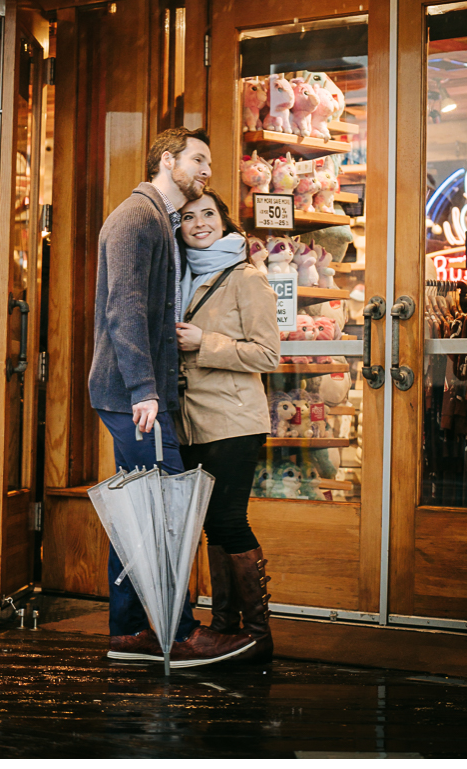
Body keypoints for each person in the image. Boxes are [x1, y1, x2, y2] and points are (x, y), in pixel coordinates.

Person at [88, 127, 255, 667]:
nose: (207, 170)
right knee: (161, 513)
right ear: (166, 160)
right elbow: (124, 310)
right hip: (135, 394)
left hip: (141, 393)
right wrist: (144, 389)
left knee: (139, 512)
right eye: (197, 159)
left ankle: (132, 630)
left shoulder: (158, 221)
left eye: (209, 162)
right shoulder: (137, 218)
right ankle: (179, 634)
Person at [175, 188, 280, 662]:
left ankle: (258, 633)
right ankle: (223, 627)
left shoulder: (245, 278)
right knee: (212, 528)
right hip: (194, 422)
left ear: (224, 220)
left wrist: (204, 341)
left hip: (236, 419)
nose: (199, 223)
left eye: (208, 214)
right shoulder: (181, 279)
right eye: (189, 217)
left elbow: (267, 354)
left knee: (228, 521)